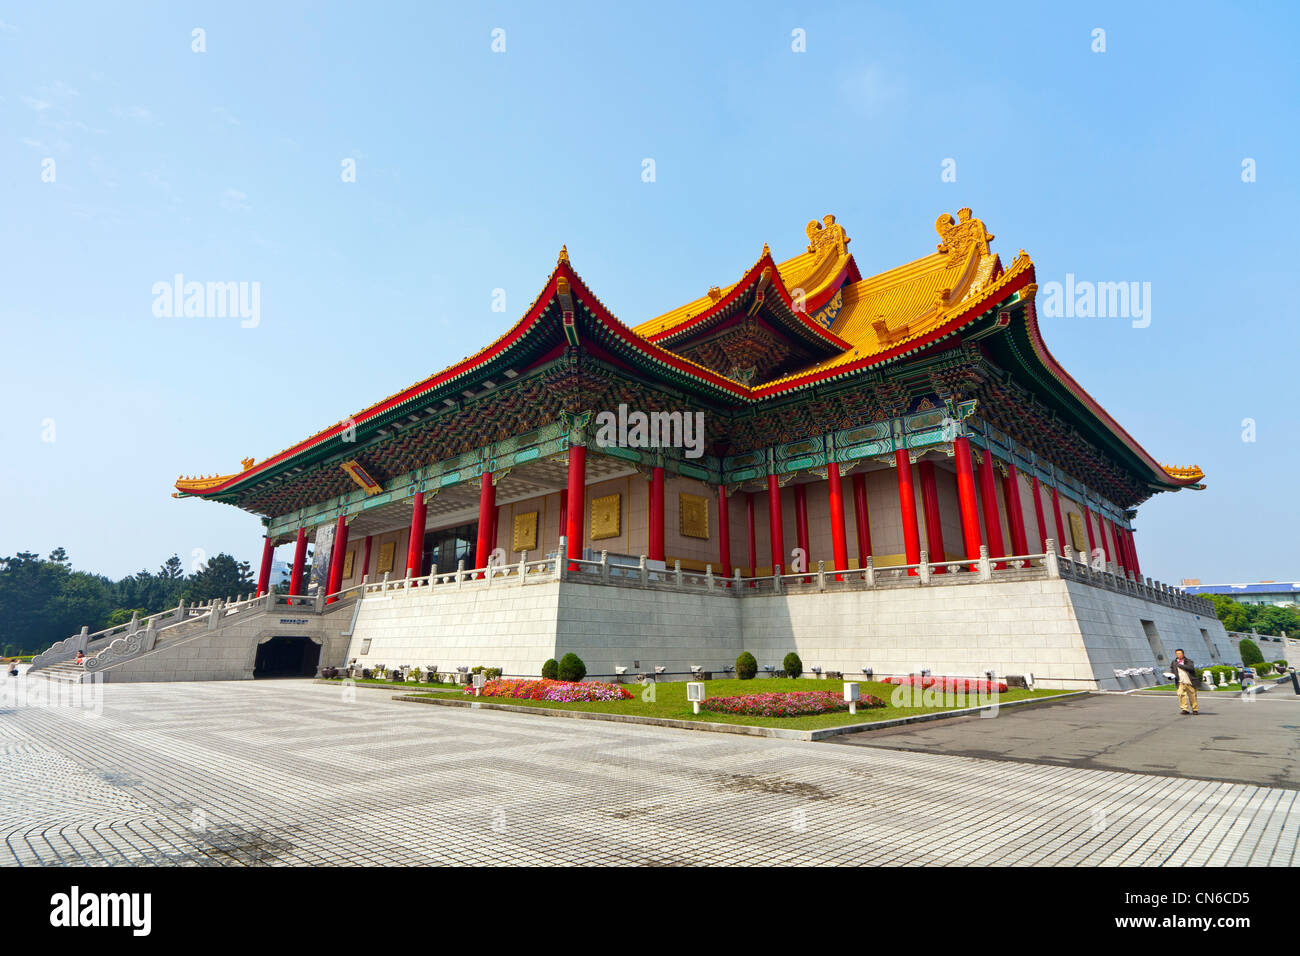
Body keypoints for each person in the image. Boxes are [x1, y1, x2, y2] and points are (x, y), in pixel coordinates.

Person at [1172, 648, 1198, 715]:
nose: (1178, 655)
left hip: (1189, 681)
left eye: (1180, 653)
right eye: (1177, 654)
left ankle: (1195, 709)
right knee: (1180, 694)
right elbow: (1172, 670)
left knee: (1192, 696)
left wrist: (1181, 666)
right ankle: (1184, 709)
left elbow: (1191, 668)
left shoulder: (1188, 661)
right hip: (1180, 681)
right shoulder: (1174, 662)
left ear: (1183, 654)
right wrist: (1171, 676)